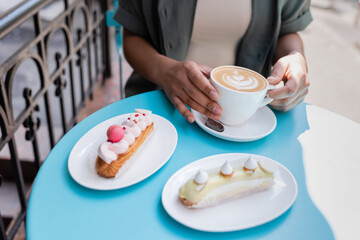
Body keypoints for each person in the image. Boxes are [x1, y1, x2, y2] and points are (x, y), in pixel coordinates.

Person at [114, 0, 312, 123]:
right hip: (161, 110)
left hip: (250, 118)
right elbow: (132, 37)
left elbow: (287, 30)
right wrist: (165, 72)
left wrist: (295, 57)